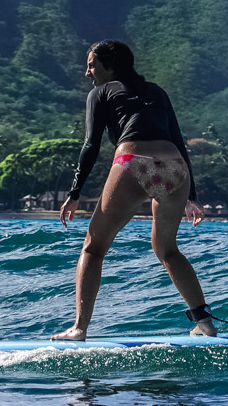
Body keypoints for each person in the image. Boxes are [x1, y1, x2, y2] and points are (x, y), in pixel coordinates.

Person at [52, 40, 216, 340]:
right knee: (167, 249)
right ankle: (204, 322)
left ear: (109, 66)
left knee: (93, 247)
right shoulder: (157, 91)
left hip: (133, 163)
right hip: (175, 168)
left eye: (92, 64)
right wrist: (192, 195)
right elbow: (179, 141)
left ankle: (79, 328)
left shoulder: (100, 93)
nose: (87, 71)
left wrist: (75, 192)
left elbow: (91, 145)